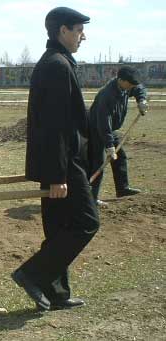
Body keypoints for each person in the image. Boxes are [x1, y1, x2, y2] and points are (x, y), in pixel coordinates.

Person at [11, 7, 100, 311]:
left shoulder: (56, 62)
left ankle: (57, 293)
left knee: (60, 226)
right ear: (62, 31)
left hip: (59, 162)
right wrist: (58, 175)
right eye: (78, 29)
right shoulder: (57, 66)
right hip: (62, 163)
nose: (82, 36)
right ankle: (32, 274)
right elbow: (55, 126)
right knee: (87, 222)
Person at [89, 66, 148, 205]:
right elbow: (103, 123)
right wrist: (109, 145)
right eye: (130, 83)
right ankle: (91, 198)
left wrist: (142, 100)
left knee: (120, 156)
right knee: (98, 163)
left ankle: (122, 188)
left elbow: (139, 88)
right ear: (121, 80)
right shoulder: (107, 95)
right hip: (95, 130)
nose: (132, 86)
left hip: (110, 129)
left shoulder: (125, 87)